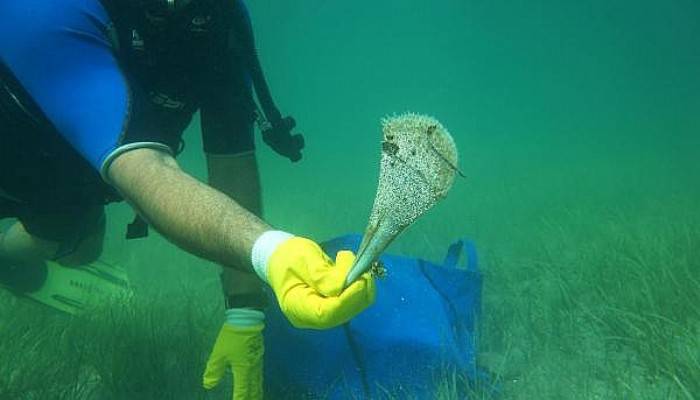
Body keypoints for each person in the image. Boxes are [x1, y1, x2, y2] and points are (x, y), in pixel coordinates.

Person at [0, 0, 375, 398]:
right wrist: (270, 249)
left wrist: (244, 309)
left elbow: (232, 163)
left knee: (80, 249)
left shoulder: (218, 21)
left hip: (74, 171)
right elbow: (147, 169)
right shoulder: (47, 9)